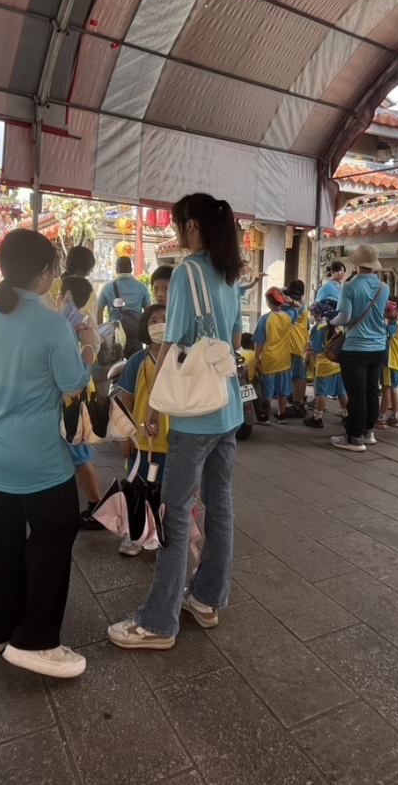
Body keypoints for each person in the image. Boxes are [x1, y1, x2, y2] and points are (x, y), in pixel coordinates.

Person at [108, 192, 242, 651]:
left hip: (193, 415)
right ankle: (207, 598)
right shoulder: (229, 271)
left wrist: (152, 404)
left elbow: (171, 340)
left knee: (176, 511)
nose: (175, 232)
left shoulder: (187, 271)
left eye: (177, 224)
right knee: (220, 506)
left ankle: (159, 621)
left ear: (192, 226)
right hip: (227, 406)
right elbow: (233, 338)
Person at [0, 229, 99, 678]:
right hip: (39, 456)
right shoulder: (51, 323)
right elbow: (73, 383)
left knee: (1, 538)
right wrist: (89, 347)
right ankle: (36, 640)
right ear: (44, 272)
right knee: (52, 536)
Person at [115, 305, 170, 556]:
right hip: (141, 442)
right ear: (145, 328)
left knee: (170, 492)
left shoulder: (182, 358)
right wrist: (125, 436)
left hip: (174, 441)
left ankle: (163, 533)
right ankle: (135, 534)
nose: (160, 325)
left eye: (165, 319)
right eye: (153, 321)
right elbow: (126, 401)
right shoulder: (137, 361)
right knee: (137, 489)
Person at [58, 275, 108, 529]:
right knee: (77, 452)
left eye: (60, 294)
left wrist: (86, 347)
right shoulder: (81, 324)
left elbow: (79, 368)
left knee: (79, 454)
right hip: (77, 397)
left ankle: (96, 506)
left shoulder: (71, 327)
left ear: (64, 296)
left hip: (72, 401)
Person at [330, 245, 390, 453]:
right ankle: (368, 432)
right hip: (379, 346)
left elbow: (344, 317)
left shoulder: (350, 286)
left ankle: (354, 437)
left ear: (356, 263)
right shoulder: (384, 287)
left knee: (356, 394)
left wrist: (330, 321)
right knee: (372, 390)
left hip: (355, 347)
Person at [252, 288, 295, 422]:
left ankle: (264, 416)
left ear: (268, 303)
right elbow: (298, 307)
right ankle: (282, 414)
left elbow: (259, 341)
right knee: (283, 390)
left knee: (267, 390)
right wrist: (287, 301)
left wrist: (256, 358)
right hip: (284, 359)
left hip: (269, 359)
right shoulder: (289, 316)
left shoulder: (265, 319)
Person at [305, 300, 347, 429]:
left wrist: (308, 355)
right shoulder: (340, 328)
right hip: (338, 364)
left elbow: (316, 349)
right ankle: (347, 415)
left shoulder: (321, 329)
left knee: (321, 393)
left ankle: (317, 417)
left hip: (324, 365)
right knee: (341, 392)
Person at [97, 256, 150, 357]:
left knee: (115, 362)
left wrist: (99, 334)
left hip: (115, 333)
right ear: (131, 269)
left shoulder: (107, 287)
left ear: (116, 269)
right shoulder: (142, 287)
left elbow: (99, 311)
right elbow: (148, 311)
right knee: (135, 362)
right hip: (135, 332)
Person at [283, 280, 310, 416]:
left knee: (296, 377)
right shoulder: (303, 305)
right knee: (301, 376)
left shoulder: (291, 306)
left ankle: (297, 405)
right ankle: (300, 401)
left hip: (294, 345)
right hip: (301, 344)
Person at [380, 301, 398, 428]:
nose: (386, 313)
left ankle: (381, 417)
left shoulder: (394, 323)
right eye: (386, 310)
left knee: (386, 389)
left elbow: (385, 333)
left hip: (389, 361)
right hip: (395, 360)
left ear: (397, 311)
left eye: (389, 311)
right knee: (393, 388)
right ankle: (394, 416)